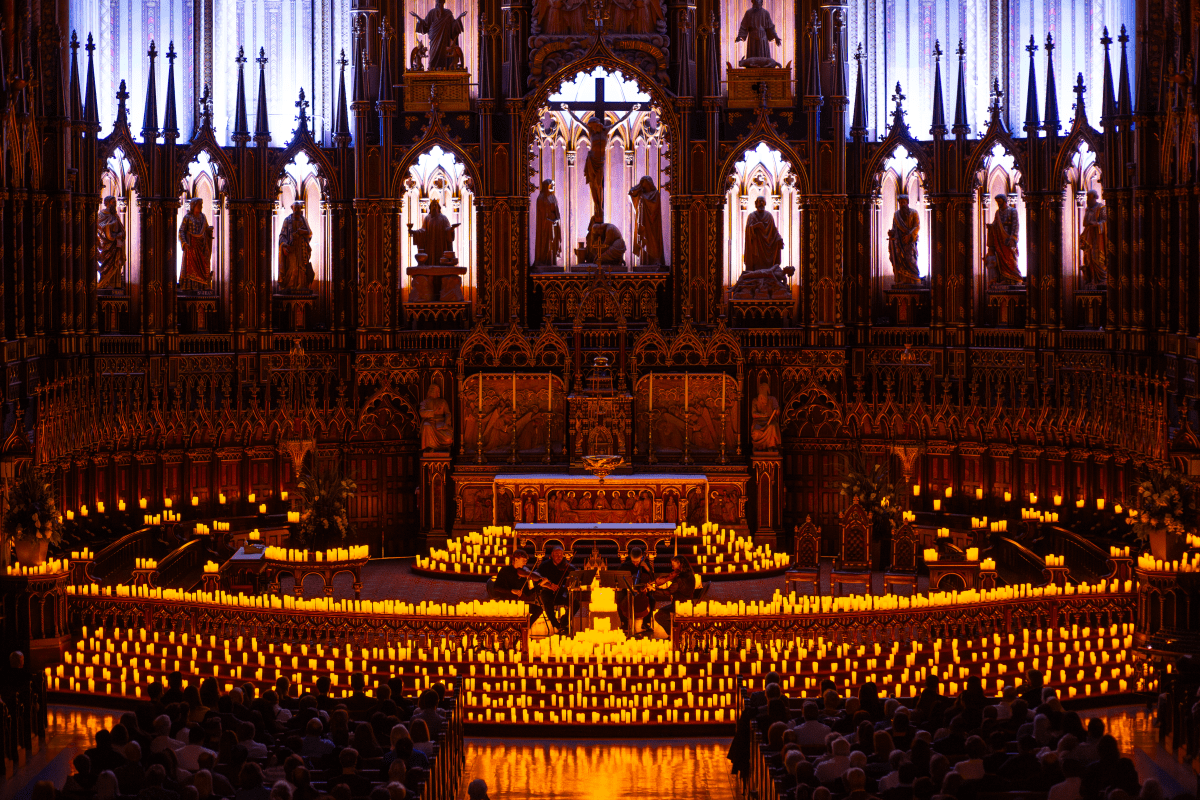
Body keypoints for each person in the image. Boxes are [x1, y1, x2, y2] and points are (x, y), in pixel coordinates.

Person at [411, 0, 468, 71]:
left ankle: (445, 72)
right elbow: (425, 24)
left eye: (440, 3)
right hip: (434, 40)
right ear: (436, 3)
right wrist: (417, 17)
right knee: (432, 59)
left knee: (444, 58)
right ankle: (432, 71)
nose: (439, 4)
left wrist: (459, 17)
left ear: (443, 3)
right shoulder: (431, 13)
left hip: (444, 40)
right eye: (438, 3)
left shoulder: (448, 13)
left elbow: (453, 26)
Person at [533, 546, 575, 634]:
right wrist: (549, 585)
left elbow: (575, 573)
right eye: (556, 554)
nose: (559, 557)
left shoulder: (565, 565)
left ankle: (564, 622)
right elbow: (536, 577)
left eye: (561, 555)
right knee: (548, 602)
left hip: (561, 592)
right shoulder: (545, 565)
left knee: (575, 603)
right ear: (552, 555)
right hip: (547, 591)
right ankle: (556, 625)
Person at [649, 554, 695, 636]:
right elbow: (669, 579)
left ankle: (674, 634)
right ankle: (676, 631)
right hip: (688, 604)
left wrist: (654, 589)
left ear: (680, 564)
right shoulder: (690, 574)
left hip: (679, 607)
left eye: (673, 565)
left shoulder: (679, 579)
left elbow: (667, 592)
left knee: (659, 616)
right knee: (661, 611)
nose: (672, 568)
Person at [616, 545, 655, 633]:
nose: (635, 564)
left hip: (642, 591)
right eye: (633, 561)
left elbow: (652, 579)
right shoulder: (625, 565)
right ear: (630, 557)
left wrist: (647, 569)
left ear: (641, 557)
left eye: (637, 561)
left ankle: (646, 623)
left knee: (652, 600)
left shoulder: (646, 565)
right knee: (619, 598)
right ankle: (624, 623)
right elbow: (619, 578)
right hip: (627, 590)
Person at [985, 193, 1022, 285]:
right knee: (1000, 259)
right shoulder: (997, 212)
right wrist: (991, 226)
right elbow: (995, 223)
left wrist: (1013, 238)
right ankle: (1004, 278)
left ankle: (1015, 278)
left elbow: (1015, 225)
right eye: (997, 202)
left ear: (1005, 201)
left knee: (1010, 259)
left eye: (1000, 202)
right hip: (999, 240)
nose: (998, 204)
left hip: (1008, 239)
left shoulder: (1013, 211)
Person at [628, 176, 665, 267]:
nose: (642, 185)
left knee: (653, 241)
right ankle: (645, 261)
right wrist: (638, 186)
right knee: (644, 241)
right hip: (643, 222)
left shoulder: (655, 194)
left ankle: (656, 260)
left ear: (648, 183)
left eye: (643, 182)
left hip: (653, 223)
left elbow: (655, 207)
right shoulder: (641, 194)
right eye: (641, 183)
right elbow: (631, 193)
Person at [277, 201, 314, 291]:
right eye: (295, 207)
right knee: (292, 268)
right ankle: (290, 286)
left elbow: (310, 233)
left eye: (299, 208)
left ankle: (302, 286)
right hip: (291, 249)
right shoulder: (287, 220)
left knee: (302, 268)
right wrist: (284, 245)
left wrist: (302, 232)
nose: (297, 209)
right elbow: (282, 235)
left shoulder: (303, 220)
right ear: (292, 207)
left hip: (301, 249)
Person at [178, 198, 214, 292]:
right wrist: (184, 243)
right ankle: (190, 286)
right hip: (191, 246)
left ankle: (202, 286)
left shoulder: (203, 217)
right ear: (193, 206)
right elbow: (181, 230)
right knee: (190, 268)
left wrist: (209, 231)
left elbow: (205, 230)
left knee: (203, 264)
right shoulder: (188, 217)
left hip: (201, 246)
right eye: (199, 205)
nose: (201, 207)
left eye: (201, 205)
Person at [735, 0, 782, 67]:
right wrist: (740, 36)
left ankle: (765, 73)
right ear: (752, 2)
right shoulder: (748, 13)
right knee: (752, 59)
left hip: (763, 38)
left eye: (758, 1)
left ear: (761, 2)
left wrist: (776, 37)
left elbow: (771, 27)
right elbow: (744, 25)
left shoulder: (765, 13)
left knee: (763, 58)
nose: (757, 2)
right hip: (752, 38)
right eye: (755, 1)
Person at [888, 194, 922, 285]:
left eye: (904, 202)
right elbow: (894, 228)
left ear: (907, 203)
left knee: (910, 259)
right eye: (900, 203)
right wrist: (891, 233)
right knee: (899, 260)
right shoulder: (896, 215)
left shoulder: (914, 213)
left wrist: (909, 236)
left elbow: (917, 226)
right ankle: (902, 279)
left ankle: (914, 279)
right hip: (899, 242)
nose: (902, 204)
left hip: (910, 242)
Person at [97, 195, 126, 290]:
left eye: (115, 202)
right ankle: (104, 284)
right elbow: (100, 227)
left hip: (116, 246)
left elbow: (122, 229)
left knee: (116, 264)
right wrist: (110, 228)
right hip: (107, 246)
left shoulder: (115, 216)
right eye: (113, 202)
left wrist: (120, 234)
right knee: (106, 265)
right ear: (107, 203)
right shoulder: (102, 214)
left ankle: (115, 284)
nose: (115, 204)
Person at [1079, 189, 1107, 285]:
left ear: (1095, 198)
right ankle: (1091, 280)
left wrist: (1096, 224)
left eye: (1089, 197)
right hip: (1089, 237)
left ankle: (1101, 281)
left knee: (1097, 258)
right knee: (1088, 259)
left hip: (1099, 238)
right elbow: (1085, 223)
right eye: (1086, 198)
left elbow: (1106, 223)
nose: (1087, 200)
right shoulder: (1087, 209)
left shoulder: (1101, 208)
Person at [532, 179, 562, 269]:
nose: (553, 186)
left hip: (554, 223)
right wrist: (549, 220)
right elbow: (541, 214)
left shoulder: (553, 197)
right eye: (551, 185)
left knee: (554, 242)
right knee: (547, 241)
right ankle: (544, 261)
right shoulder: (541, 198)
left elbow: (557, 211)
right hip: (545, 224)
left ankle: (552, 262)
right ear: (546, 186)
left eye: (553, 185)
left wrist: (557, 219)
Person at [418, 384, 454, 451]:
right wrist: (432, 412)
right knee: (426, 425)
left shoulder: (443, 402)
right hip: (430, 421)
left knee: (448, 439)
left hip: (440, 423)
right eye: (431, 389)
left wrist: (446, 423)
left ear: (438, 392)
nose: (432, 391)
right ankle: (429, 447)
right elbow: (422, 413)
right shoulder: (425, 402)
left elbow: (448, 414)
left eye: (434, 389)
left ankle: (440, 448)